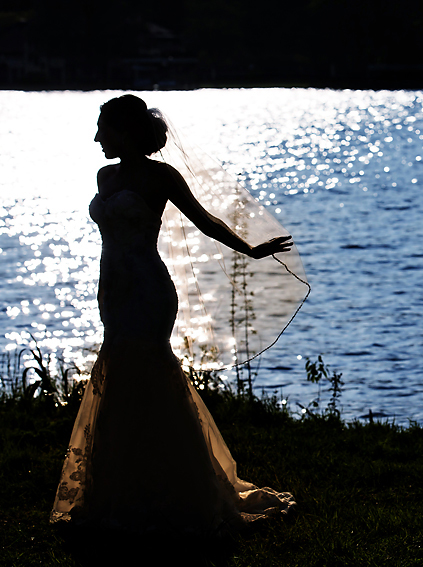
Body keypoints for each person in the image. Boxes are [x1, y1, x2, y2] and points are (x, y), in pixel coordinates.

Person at [50, 94, 296, 534]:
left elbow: (204, 220)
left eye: (103, 129)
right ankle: (117, 489)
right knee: (119, 378)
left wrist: (252, 249)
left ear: (126, 132)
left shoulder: (162, 177)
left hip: (147, 290)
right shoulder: (104, 176)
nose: (96, 138)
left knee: (149, 375)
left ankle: (178, 488)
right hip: (113, 291)